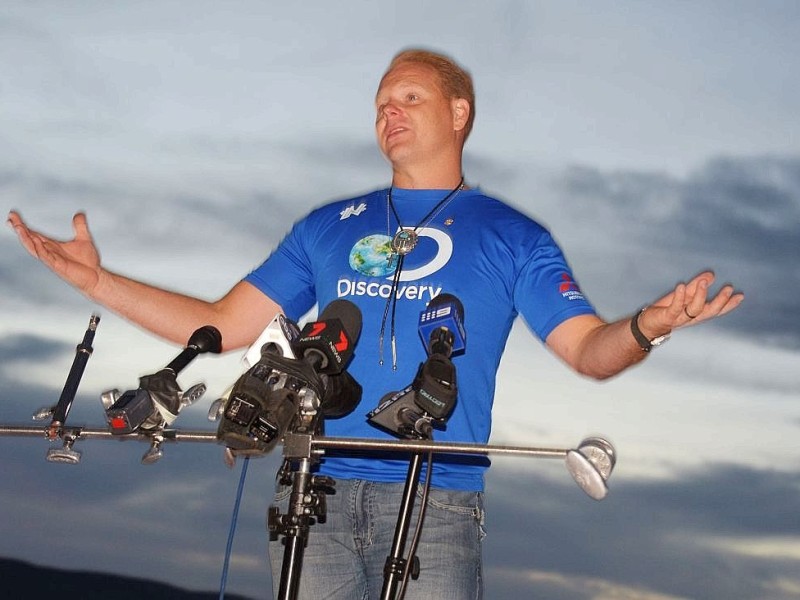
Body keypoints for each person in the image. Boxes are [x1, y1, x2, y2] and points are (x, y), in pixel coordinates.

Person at [7, 48, 742, 599]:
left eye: (410, 97)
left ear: (459, 114)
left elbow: (588, 350)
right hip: (310, 491)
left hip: (437, 501)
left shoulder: (512, 236)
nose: (389, 111)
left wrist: (647, 326)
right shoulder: (328, 227)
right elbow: (223, 325)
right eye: (381, 101)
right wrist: (97, 281)